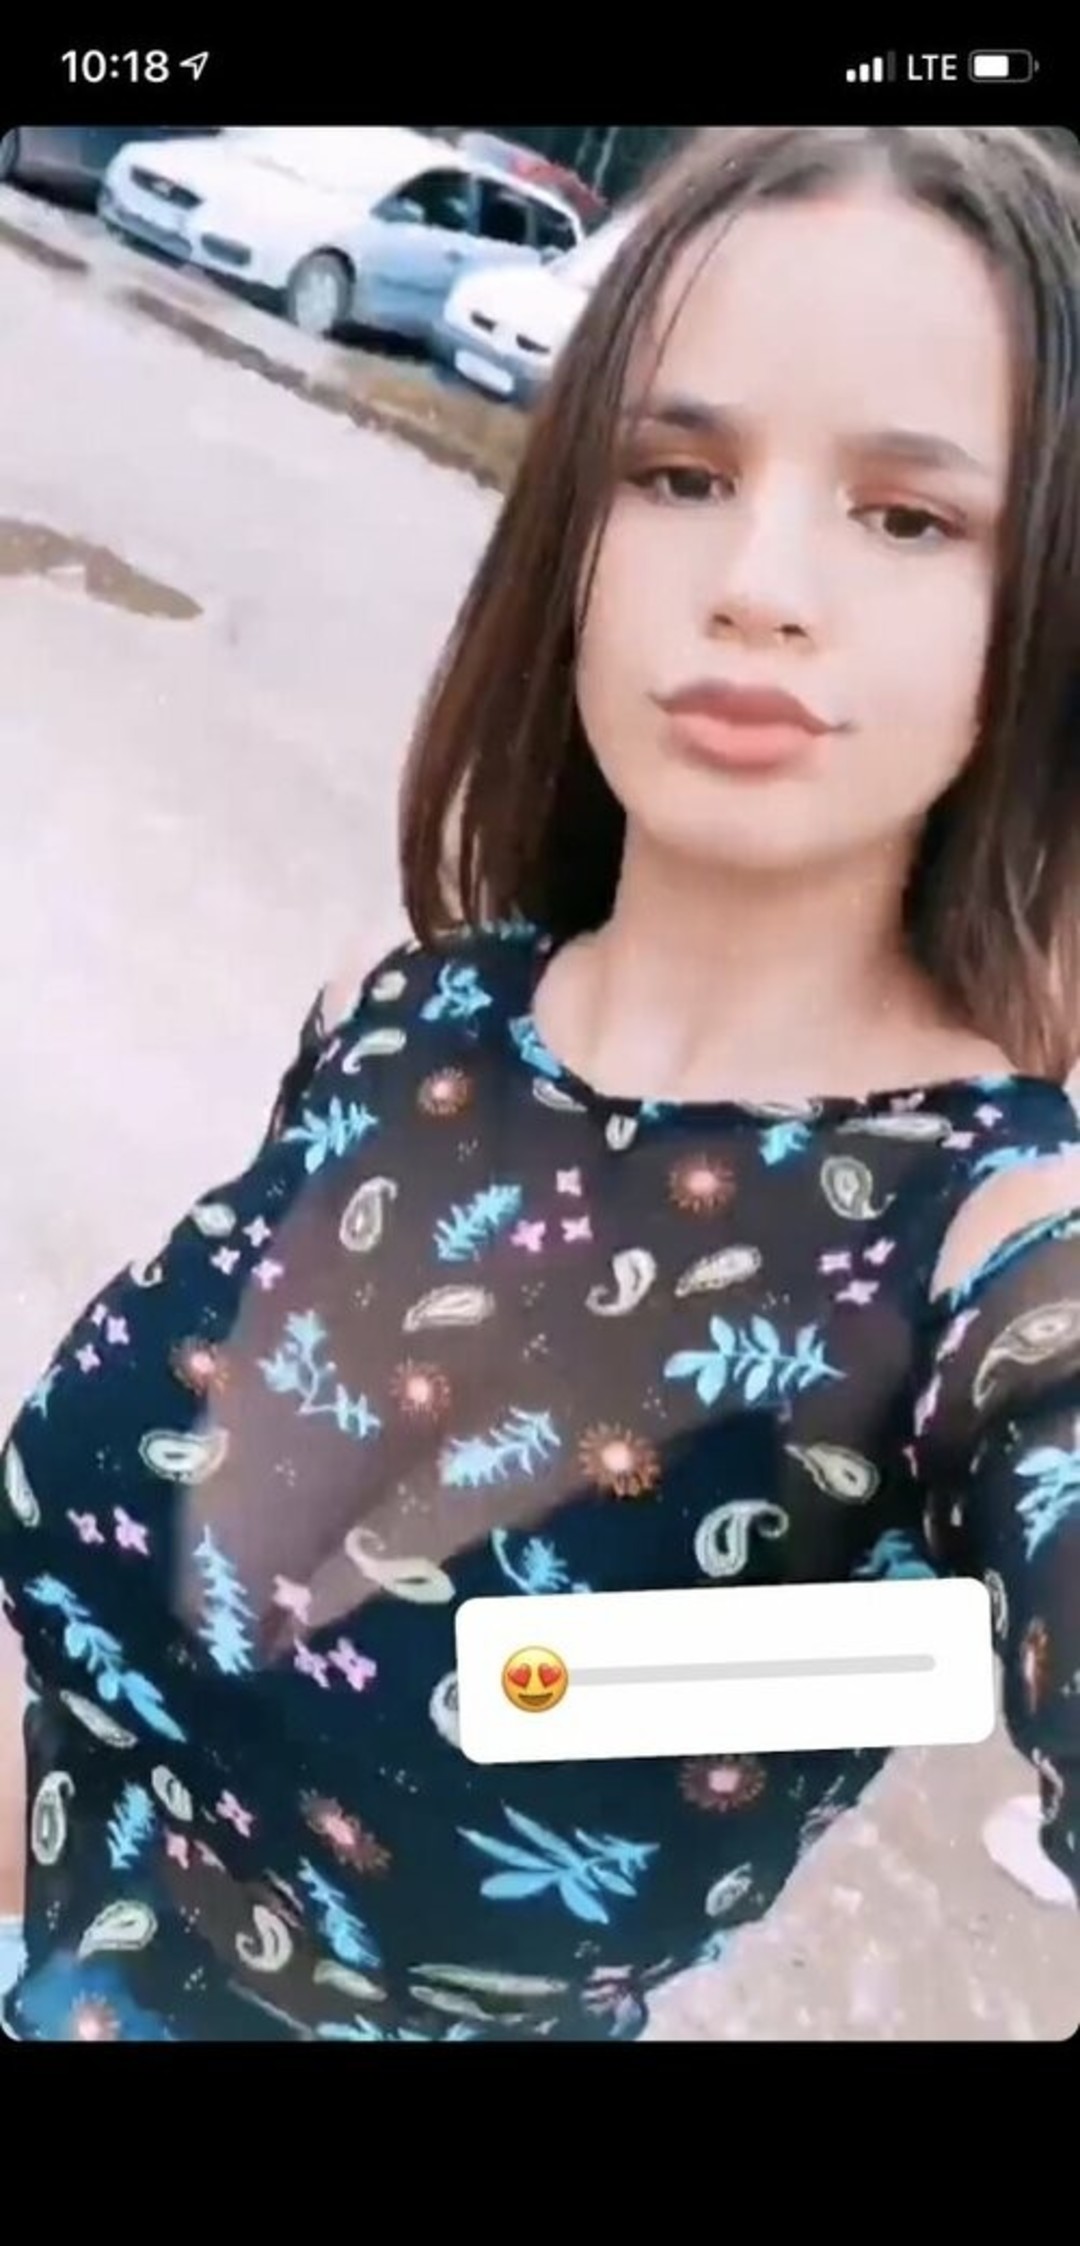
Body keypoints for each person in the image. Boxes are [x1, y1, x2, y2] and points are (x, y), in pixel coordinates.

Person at [1, 120, 1079, 2045]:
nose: (758, 582)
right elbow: (109, 1681)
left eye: (908, 515)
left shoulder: (981, 1258)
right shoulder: (407, 1020)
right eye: (682, 474)